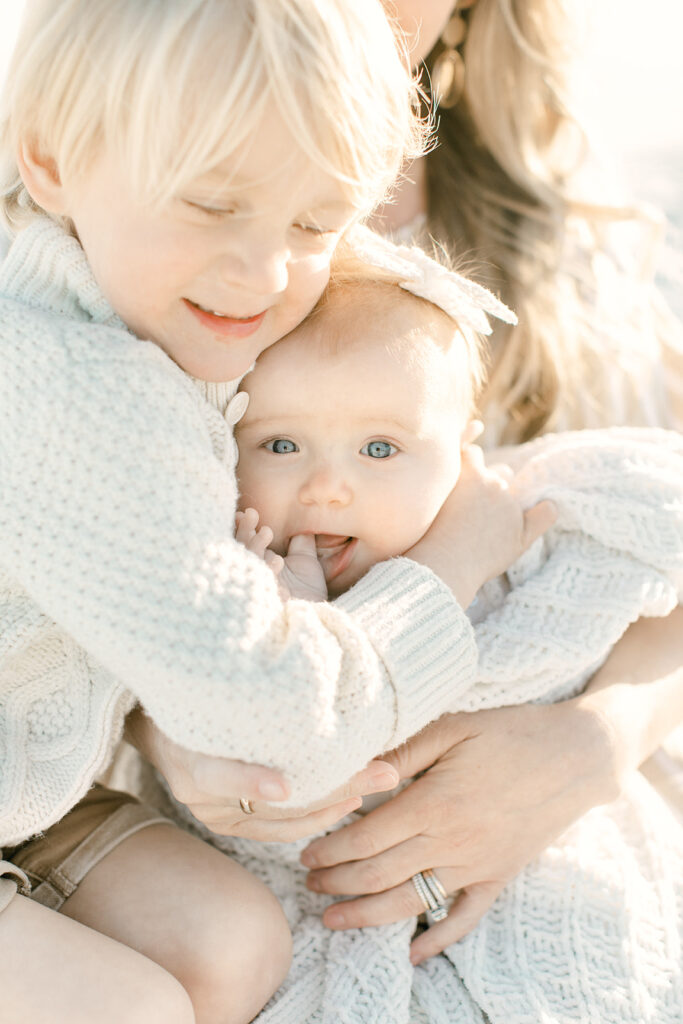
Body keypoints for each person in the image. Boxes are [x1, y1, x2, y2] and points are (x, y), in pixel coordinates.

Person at [0, 2, 550, 1022]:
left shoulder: (114, 278)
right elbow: (276, 714)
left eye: (313, 224)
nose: (262, 275)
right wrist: (450, 566)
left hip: (34, 794)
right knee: (130, 1005)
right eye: (211, 206)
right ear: (51, 161)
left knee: (234, 946)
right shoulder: (67, 395)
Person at [221, 242, 682, 1023]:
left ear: (459, 452)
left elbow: (653, 512)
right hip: (318, 912)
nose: (328, 487)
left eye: (379, 449)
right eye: (280, 444)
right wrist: (290, 626)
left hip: (555, 859)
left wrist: (602, 732)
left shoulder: (514, 525)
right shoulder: (226, 580)